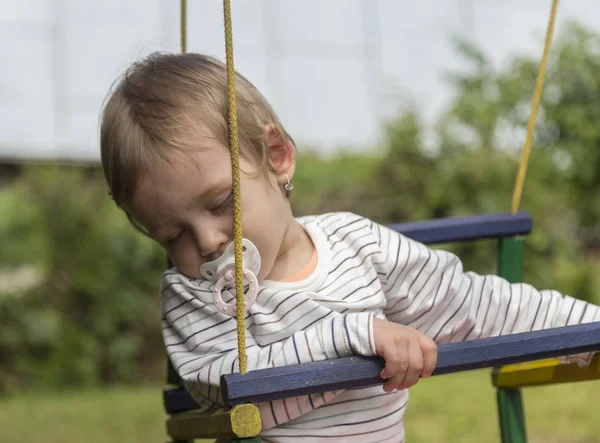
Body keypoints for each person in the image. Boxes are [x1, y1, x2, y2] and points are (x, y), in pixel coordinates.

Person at [99, 52, 599, 443]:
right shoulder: (193, 296)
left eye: (220, 203)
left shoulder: (357, 246)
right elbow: (224, 384)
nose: (207, 242)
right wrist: (351, 334)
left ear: (276, 157)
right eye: (173, 237)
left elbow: (473, 304)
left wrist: (585, 327)